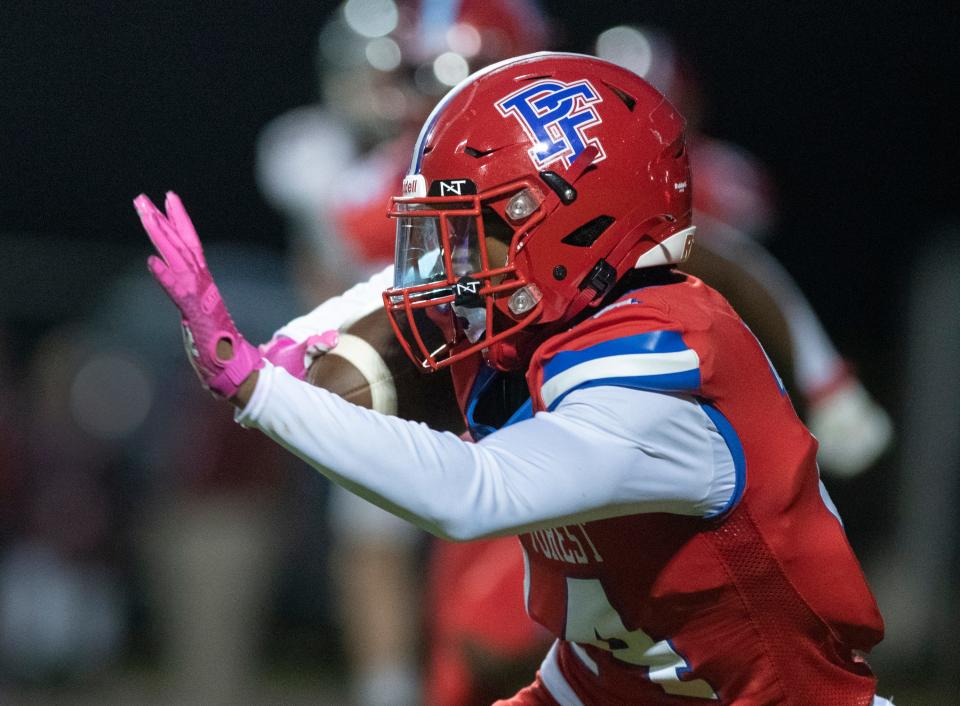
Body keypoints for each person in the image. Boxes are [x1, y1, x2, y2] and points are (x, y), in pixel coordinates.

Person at [136, 52, 889, 704]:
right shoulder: (545, 319)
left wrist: (259, 390)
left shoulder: (660, 372)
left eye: (475, 229)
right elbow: (385, 294)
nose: (451, 262)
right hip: (606, 685)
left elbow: (473, 494)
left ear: (578, 225)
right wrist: (285, 350)